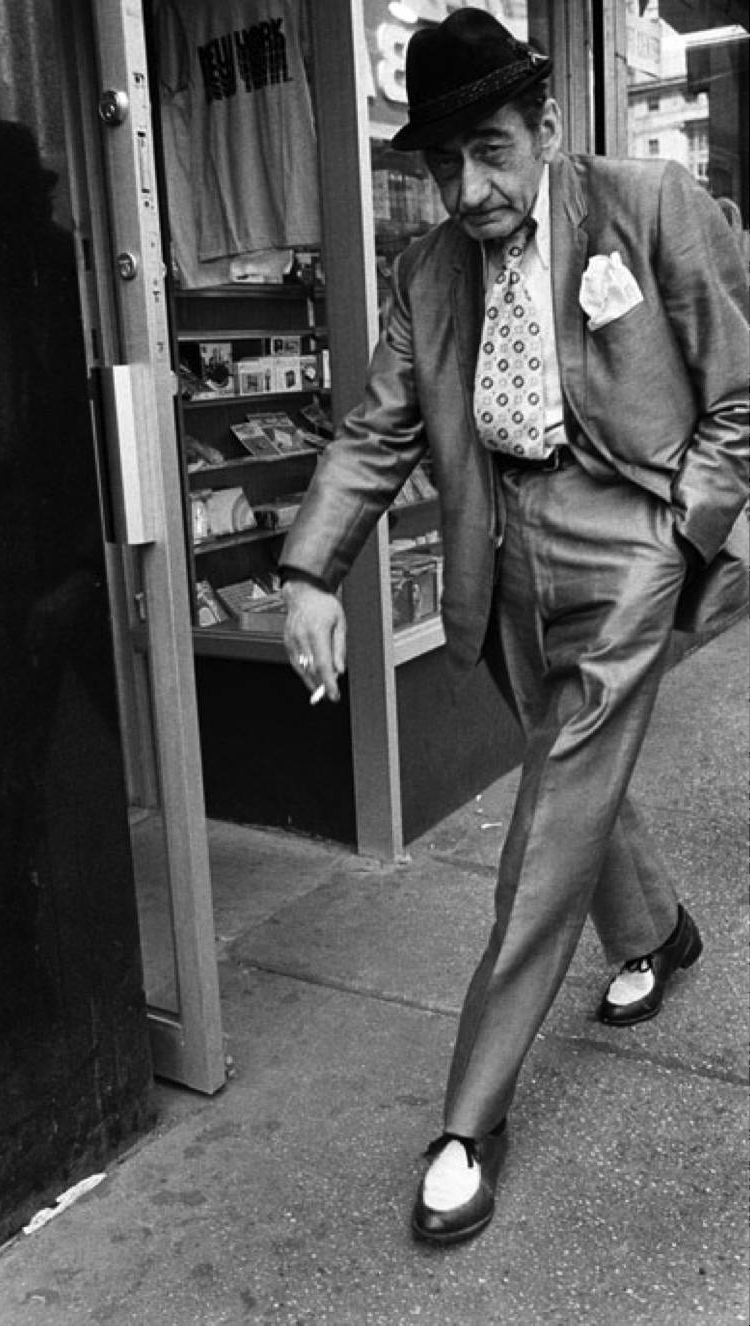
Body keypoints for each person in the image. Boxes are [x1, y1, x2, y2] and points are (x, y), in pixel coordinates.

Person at [279, 10, 749, 1245]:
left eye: (489, 151)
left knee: (544, 818)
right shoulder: (426, 270)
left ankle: (468, 1121)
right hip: (498, 549)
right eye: (444, 165)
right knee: (570, 769)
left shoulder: (648, 206)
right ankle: (655, 931)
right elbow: (379, 428)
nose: (469, 189)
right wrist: (313, 571)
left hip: (626, 534)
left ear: (543, 125)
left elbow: (741, 392)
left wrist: (682, 532)